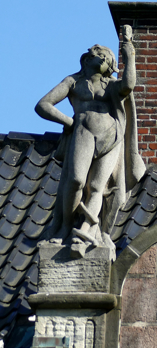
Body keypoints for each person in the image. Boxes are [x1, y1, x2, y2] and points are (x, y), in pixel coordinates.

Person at [36, 26, 144, 257]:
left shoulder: (112, 85)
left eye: (108, 58)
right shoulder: (73, 81)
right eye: (102, 55)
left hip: (111, 136)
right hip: (82, 132)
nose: (105, 59)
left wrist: (129, 54)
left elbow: (128, 85)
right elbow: (43, 105)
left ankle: (89, 230)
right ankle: (66, 226)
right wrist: (69, 122)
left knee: (98, 187)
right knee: (75, 181)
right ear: (89, 57)